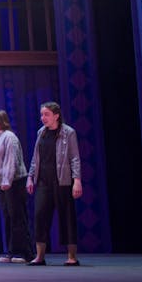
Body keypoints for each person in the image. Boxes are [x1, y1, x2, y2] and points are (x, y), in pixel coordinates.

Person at [26, 101, 82, 266]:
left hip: (63, 181)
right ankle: (40, 256)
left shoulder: (68, 133)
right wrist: (30, 176)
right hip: (43, 182)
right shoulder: (41, 133)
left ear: (56, 116)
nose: (43, 118)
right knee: (40, 217)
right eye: (42, 114)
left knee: (67, 217)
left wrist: (77, 180)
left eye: (46, 114)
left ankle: (71, 256)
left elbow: (75, 157)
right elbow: (36, 158)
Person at [0, 109, 34, 263]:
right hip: (2, 184)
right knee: (8, 217)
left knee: (18, 217)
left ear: (0, 121)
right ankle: (12, 251)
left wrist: (7, 180)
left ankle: (25, 253)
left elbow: (11, 160)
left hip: (14, 182)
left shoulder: (10, 137)